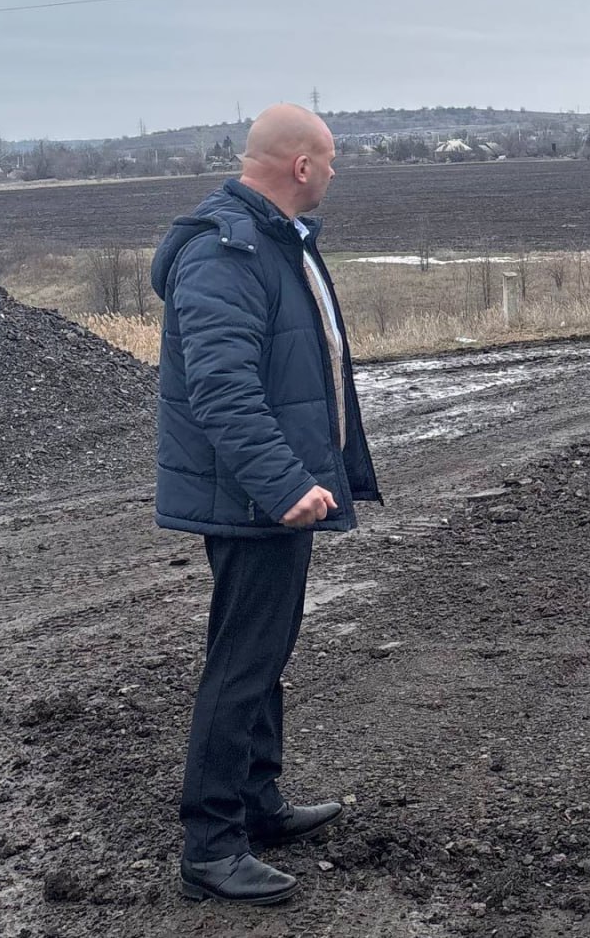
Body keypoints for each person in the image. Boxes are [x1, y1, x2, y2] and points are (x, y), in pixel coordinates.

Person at [151, 103, 381, 904]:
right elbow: (222, 389)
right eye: (331, 159)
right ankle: (211, 844)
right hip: (254, 498)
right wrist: (284, 484)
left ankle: (257, 800)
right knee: (241, 663)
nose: (335, 171)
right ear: (301, 166)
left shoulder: (269, 241)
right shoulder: (228, 251)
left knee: (263, 653)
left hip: (269, 492)